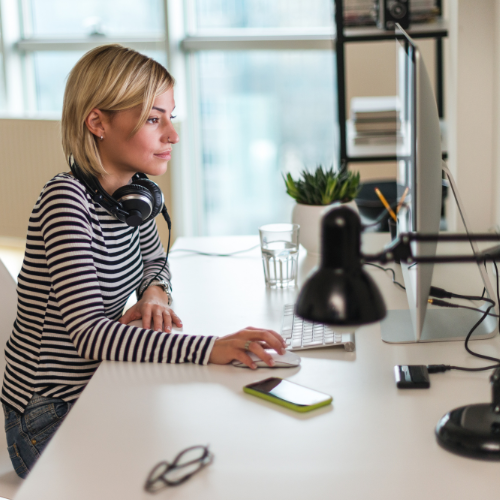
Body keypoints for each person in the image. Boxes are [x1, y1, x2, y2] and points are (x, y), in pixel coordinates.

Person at [1, 44, 285, 478]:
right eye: (154, 119)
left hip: (99, 385)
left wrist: (155, 293)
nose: (172, 134)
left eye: (170, 116)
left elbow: (155, 262)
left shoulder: (134, 196)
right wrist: (213, 347)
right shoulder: (67, 201)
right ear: (97, 122)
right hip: (47, 415)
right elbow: (92, 336)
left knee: (208, 436)